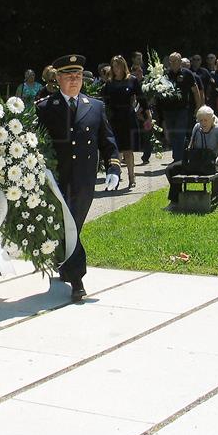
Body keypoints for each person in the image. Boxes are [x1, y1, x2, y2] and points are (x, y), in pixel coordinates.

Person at [35, 54, 121, 301]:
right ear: (58, 78)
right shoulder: (45, 108)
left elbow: (108, 141)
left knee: (74, 225)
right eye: (68, 76)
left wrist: (113, 167)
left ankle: (62, 261)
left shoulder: (95, 106)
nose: (74, 80)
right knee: (67, 224)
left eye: (78, 76)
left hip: (84, 180)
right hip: (57, 180)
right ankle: (77, 280)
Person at [101, 55, 149, 188]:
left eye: (119, 66)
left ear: (123, 66)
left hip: (128, 117)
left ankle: (131, 177)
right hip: (113, 118)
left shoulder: (132, 80)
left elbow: (142, 99)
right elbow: (104, 102)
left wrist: (147, 114)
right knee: (115, 150)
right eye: (114, 66)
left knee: (128, 149)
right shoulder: (109, 84)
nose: (117, 69)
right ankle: (115, 178)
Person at [165, 105, 218, 206]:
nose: (203, 123)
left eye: (206, 120)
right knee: (170, 169)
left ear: (212, 119)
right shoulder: (197, 127)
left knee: (178, 170)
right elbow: (190, 146)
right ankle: (176, 200)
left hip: (208, 164)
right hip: (195, 160)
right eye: (201, 120)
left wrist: (217, 165)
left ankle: (176, 201)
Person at [157, 52, 200, 162]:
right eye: (170, 61)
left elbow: (195, 91)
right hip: (168, 110)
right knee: (172, 135)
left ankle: (178, 160)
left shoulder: (187, 73)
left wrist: (198, 106)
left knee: (180, 134)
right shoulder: (165, 74)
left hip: (182, 110)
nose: (172, 63)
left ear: (180, 62)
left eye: (175, 61)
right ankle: (180, 156)